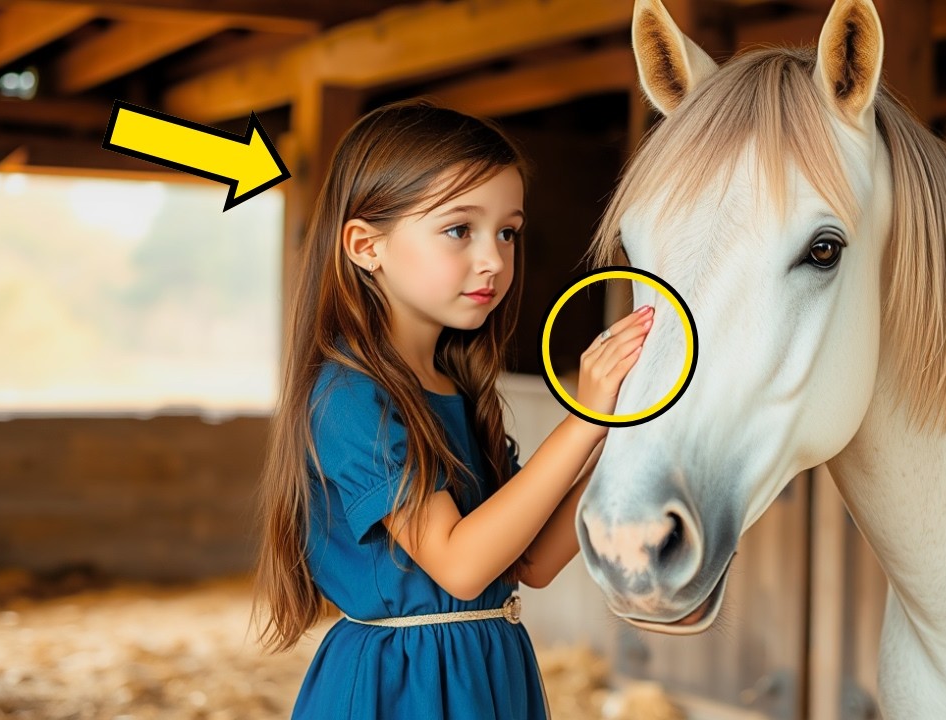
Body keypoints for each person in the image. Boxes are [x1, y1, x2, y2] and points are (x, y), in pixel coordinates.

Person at [251, 99, 653, 719]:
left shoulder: (459, 387)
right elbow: (462, 565)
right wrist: (586, 418)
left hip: (488, 674)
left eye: (508, 232)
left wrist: (628, 440)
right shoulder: (348, 399)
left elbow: (531, 560)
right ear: (366, 246)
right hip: (403, 689)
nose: (493, 258)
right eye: (459, 229)